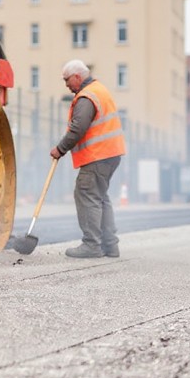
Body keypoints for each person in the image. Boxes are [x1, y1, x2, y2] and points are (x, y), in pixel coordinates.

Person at [49, 59, 126, 258]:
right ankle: (110, 245)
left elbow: (78, 128)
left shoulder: (86, 97)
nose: (66, 85)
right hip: (111, 153)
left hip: (98, 155)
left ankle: (92, 245)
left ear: (77, 76)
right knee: (100, 198)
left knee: (86, 194)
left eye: (67, 80)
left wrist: (60, 149)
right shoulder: (99, 90)